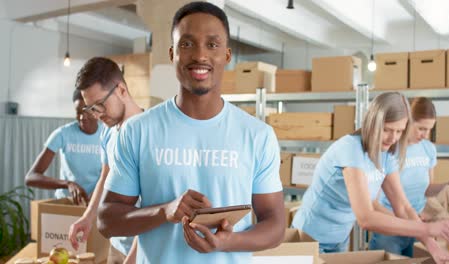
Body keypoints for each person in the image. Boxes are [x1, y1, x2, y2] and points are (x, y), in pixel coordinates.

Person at [97, 2, 285, 263]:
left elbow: (275, 224)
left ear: (227, 56)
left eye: (212, 44)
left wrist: (228, 242)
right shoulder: (137, 131)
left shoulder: (257, 135)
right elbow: (106, 220)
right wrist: (164, 211)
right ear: (173, 54)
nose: (200, 55)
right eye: (187, 44)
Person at [292, 92, 449, 264]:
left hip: (339, 238)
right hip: (310, 236)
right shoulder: (351, 148)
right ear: (373, 123)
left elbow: (403, 207)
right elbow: (366, 217)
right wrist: (428, 228)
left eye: (399, 131)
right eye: (387, 129)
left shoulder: (387, 155)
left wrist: (433, 247)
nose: (393, 138)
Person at [67, 57, 143, 264]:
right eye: (91, 108)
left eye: (100, 104)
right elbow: (105, 177)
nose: (97, 115)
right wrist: (88, 218)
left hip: (143, 251)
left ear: (121, 90)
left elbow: (153, 203)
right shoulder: (108, 133)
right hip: (117, 245)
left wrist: (134, 257)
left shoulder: (149, 134)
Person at [369, 97, 449, 257]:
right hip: (391, 229)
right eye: (421, 128)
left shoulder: (428, 149)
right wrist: (406, 223)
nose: (426, 134)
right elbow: (373, 204)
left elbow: (427, 188)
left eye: (430, 129)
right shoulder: (388, 150)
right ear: (407, 122)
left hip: (420, 226)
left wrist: (448, 185)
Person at [25, 89, 103, 205]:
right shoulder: (62, 134)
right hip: (67, 202)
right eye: (78, 112)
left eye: (86, 111)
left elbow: (113, 175)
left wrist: (98, 193)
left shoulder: (108, 135)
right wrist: (67, 184)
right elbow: (31, 178)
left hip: (96, 202)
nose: (82, 117)